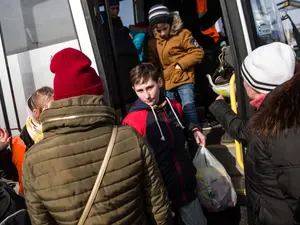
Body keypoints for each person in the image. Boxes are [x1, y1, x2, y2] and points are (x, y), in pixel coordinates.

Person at [22, 48, 172, 225]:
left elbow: (41, 221)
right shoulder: (129, 137)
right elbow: (158, 207)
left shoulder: (32, 160)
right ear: (98, 96)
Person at [209, 42, 297, 225]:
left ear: (256, 86)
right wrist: (219, 107)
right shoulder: (280, 112)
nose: (241, 83)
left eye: (244, 79)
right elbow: (247, 131)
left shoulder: (283, 131)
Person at [123, 63, 207, 225]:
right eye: (140, 90)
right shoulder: (132, 121)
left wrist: (195, 130)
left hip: (186, 187)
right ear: (134, 90)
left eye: (150, 87)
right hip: (160, 198)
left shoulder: (174, 106)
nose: (146, 95)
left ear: (160, 83)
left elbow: (185, 123)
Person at [148, 4, 205, 126]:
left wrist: (181, 65)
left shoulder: (183, 34)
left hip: (184, 77)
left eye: (165, 28)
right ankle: (180, 136)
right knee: (172, 111)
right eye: (158, 30)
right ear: (153, 29)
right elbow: (154, 63)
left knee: (188, 107)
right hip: (166, 81)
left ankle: (195, 135)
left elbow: (198, 52)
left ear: (170, 23)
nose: (162, 33)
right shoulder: (153, 43)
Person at [11, 87, 53, 195]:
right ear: (36, 112)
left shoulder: (63, 130)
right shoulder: (20, 142)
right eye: (51, 109)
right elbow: (16, 175)